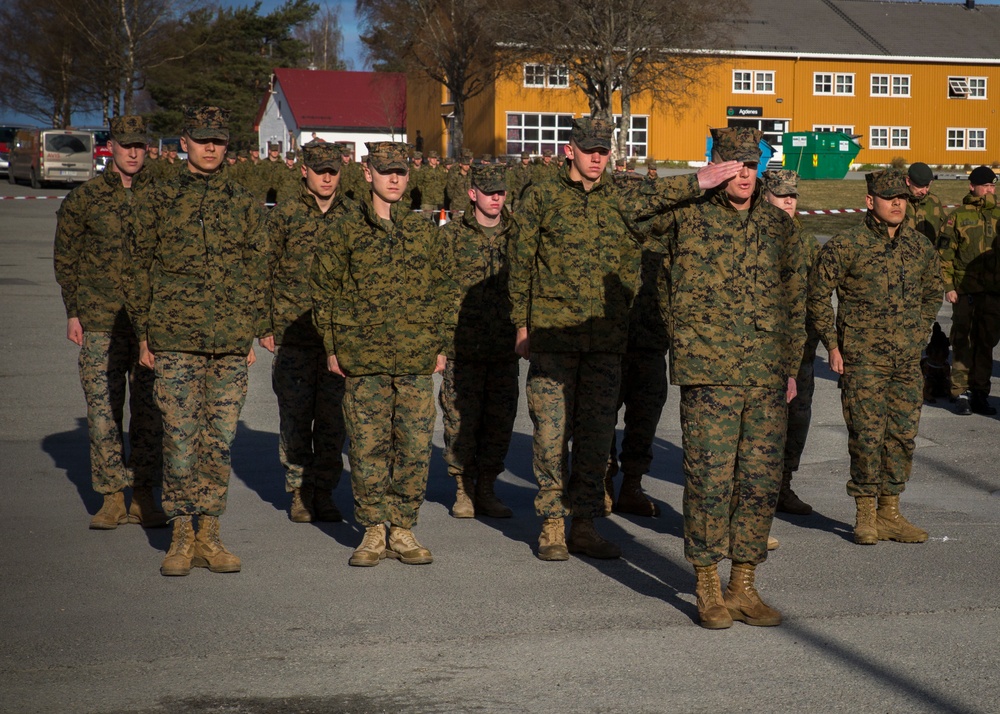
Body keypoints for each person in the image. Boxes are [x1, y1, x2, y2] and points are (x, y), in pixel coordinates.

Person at [509, 117, 742, 564]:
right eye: (589, 150)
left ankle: (584, 524)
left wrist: (701, 179)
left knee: (596, 437)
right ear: (570, 150)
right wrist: (522, 325)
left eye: (604, 150)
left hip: (606, 340)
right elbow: (521, 263)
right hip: (555, 337)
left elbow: (661, 195)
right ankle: (552, 523)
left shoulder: (620, 195)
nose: (597, 158)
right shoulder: (542, 196)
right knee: (551, 434)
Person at [653, 127, 807, 629]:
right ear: (717, 166)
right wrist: (691, 183)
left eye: (751, 164)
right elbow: (622, 212)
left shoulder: (778, 225)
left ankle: (743, 585)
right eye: (734, 164)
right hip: (709, 373)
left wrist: (790, 367)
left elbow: (795, 300)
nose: (744, 174)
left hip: (765, 374)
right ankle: (705, 583)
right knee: (709, 480)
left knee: (759, 481)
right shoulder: (687, 216)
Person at [126, 106, 269, 576]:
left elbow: (258, 270)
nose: (211, 147)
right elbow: (137, 269)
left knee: (219, 440)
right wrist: (144, 334)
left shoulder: (244, 201)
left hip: (228, 343)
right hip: (175, 339)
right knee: (180, 438)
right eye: (203, 139)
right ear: (184, 141)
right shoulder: (159, 198)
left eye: (219, 140)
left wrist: (250, 331)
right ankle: (181, 534)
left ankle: (210, 532)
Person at [311, 141, 455, 567]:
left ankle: (403, 527)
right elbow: (323, 289)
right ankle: (374, 528)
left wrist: (441, 345)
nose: (394, 178)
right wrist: (332, 346)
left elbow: (445, 291)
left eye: (400, 172)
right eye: (385, 170)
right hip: (364, 357)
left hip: (415, 357)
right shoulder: (345, 229)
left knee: (414, 445)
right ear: (367, 173)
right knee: (367, 446)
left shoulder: (423, 231)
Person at [809, 169, 942, 548]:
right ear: (870, 201)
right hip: (862, 360)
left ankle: (890, 512)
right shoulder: (847, 245)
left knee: (901, 436)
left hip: (906, 361)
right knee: (867, 436)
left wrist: (919, 331)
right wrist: (832, 345)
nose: (897, 203)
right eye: (889, 197)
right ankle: (865, 514)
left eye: (902, 198)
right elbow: (817, 293)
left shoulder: (919, 246)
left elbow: (933, 291)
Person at [53, 115, 166, 530]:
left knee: (149, 414)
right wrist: (73, 312)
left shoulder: (162, 197)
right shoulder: (85, 199)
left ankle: (144, 495)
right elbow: (66, 257)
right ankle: (112, 496)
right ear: (111, 147)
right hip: (100, 320)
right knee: (103, 412)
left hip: (149, 325)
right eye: (125, 145)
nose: (133, 153)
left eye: (139, 145)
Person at [262, 140, 352, 523]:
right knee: (296, 419)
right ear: (304, 171)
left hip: (338, 339)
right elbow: (263, 269)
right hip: (293, 336)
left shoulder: (353, 215)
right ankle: (299, 491)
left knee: (333, 422)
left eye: (333, 171)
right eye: (320, 171)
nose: (327, 177)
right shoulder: (285, 215)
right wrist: (264, 324)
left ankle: (324, 492)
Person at [439, 163, 518, 519]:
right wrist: (440, 345)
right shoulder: (451, 236)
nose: (496, 198)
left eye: (501, 192)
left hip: (504, 347)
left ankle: (486, 487)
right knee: (460, 421)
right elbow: (437, 289)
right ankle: (463, 488)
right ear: (473, 194)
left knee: (499, 421)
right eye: (489, 193)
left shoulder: (517, 235)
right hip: (463, 348)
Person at [762, 169, 819, 516]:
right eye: (781, 194)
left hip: (801, 349)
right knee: (761, 423)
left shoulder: (807, 242)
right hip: (762, 348)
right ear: (766, 196)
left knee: (797, 418)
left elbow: (818, 295)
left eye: (793, 196)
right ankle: (755, 490)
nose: (788, 201)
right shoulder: (754, 235)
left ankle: (783, 485)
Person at [938, 166, 1000, 416]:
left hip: (993, 292)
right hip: (965, 291)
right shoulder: (957, 216)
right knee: (963, 341)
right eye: (985, 186)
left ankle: (980, 392)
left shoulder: (999, 215)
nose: (990, 190)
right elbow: (945, 255)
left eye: (993, 186)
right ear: (972, 186)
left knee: (986, 343)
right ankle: (960, 392)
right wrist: (949, 286)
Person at [905, 162, 947, 246]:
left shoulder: (934, 201)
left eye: (927, 186)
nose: (924, 192)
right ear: (908, 181)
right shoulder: (898, 202)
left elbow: (944, 230)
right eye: (920, 186)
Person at [418, 150, 447, 219]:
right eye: (432, 158)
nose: (434, 160)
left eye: (435, 158)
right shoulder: (424, 169)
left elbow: (444, 182)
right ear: (429, 159)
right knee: (425, 220)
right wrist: (425, 191)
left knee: (440, 221)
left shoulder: (441, 170)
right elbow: (419, 183)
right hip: (427, 200)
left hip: (439, 200)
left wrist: (439, 190)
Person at [446, 149, 474, 217]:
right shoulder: (455, 175)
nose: (467, 166)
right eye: (465, 165)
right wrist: (455, 199)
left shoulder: (471, 175)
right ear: (461, 164)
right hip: (457, 205)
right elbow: (450, 190)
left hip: (468, 205)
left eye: (468, 165)